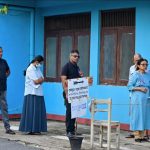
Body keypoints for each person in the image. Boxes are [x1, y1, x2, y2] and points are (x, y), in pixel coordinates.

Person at [19, 55, 47, 134]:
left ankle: (36, 129)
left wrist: (40, 80)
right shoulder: (30, 69)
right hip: (31, 92)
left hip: (38, 92)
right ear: (37, 62)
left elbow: (42, 78)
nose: (41, 65)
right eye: (40, 63)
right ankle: (30, 129)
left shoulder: (37, 68)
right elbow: (36, 81)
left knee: (37, 111)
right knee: (31, 111)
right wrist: (40, 80)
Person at [61, 49, 83, 137]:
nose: (77, 58)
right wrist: (66, 92)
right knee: (69, 112)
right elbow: (63, 80)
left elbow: (78, 81)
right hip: (69, 93)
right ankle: (69, 130)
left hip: (76, 93)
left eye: (78, 56)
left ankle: (73, 130)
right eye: (75, 56)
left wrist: (81, 76)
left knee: (75, 111)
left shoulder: (77, 67)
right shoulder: (66, 67)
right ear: (70, 56)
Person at [127, 58, 150, 142]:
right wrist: (140, 88)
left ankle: (142, 135)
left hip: (146, 99)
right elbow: (129, 86)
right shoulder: (135, 74)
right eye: (143, 64)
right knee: (137, 115)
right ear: (139, 66)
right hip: (137, 98)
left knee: (144, 115)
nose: (145, 66)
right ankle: (137, 136)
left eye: (146, 65)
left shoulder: (148, 75)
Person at [0, 47, 15, 134]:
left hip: (3, 89)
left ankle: (7, 128)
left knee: (4, 108)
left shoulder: (4, 61)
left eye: (1, 51)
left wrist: (5, 76)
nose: (1, 53)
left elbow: (8, 71)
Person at [126, 53, 142, 138]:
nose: (136, 62)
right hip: (132, 93)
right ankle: (133, 131)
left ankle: (141, 133)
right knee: (133, 113)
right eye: (134, 60)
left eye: (137, 60)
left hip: (140, 94)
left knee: (141, 113)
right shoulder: (131, 68)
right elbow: (130, 80)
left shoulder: (144, 68)